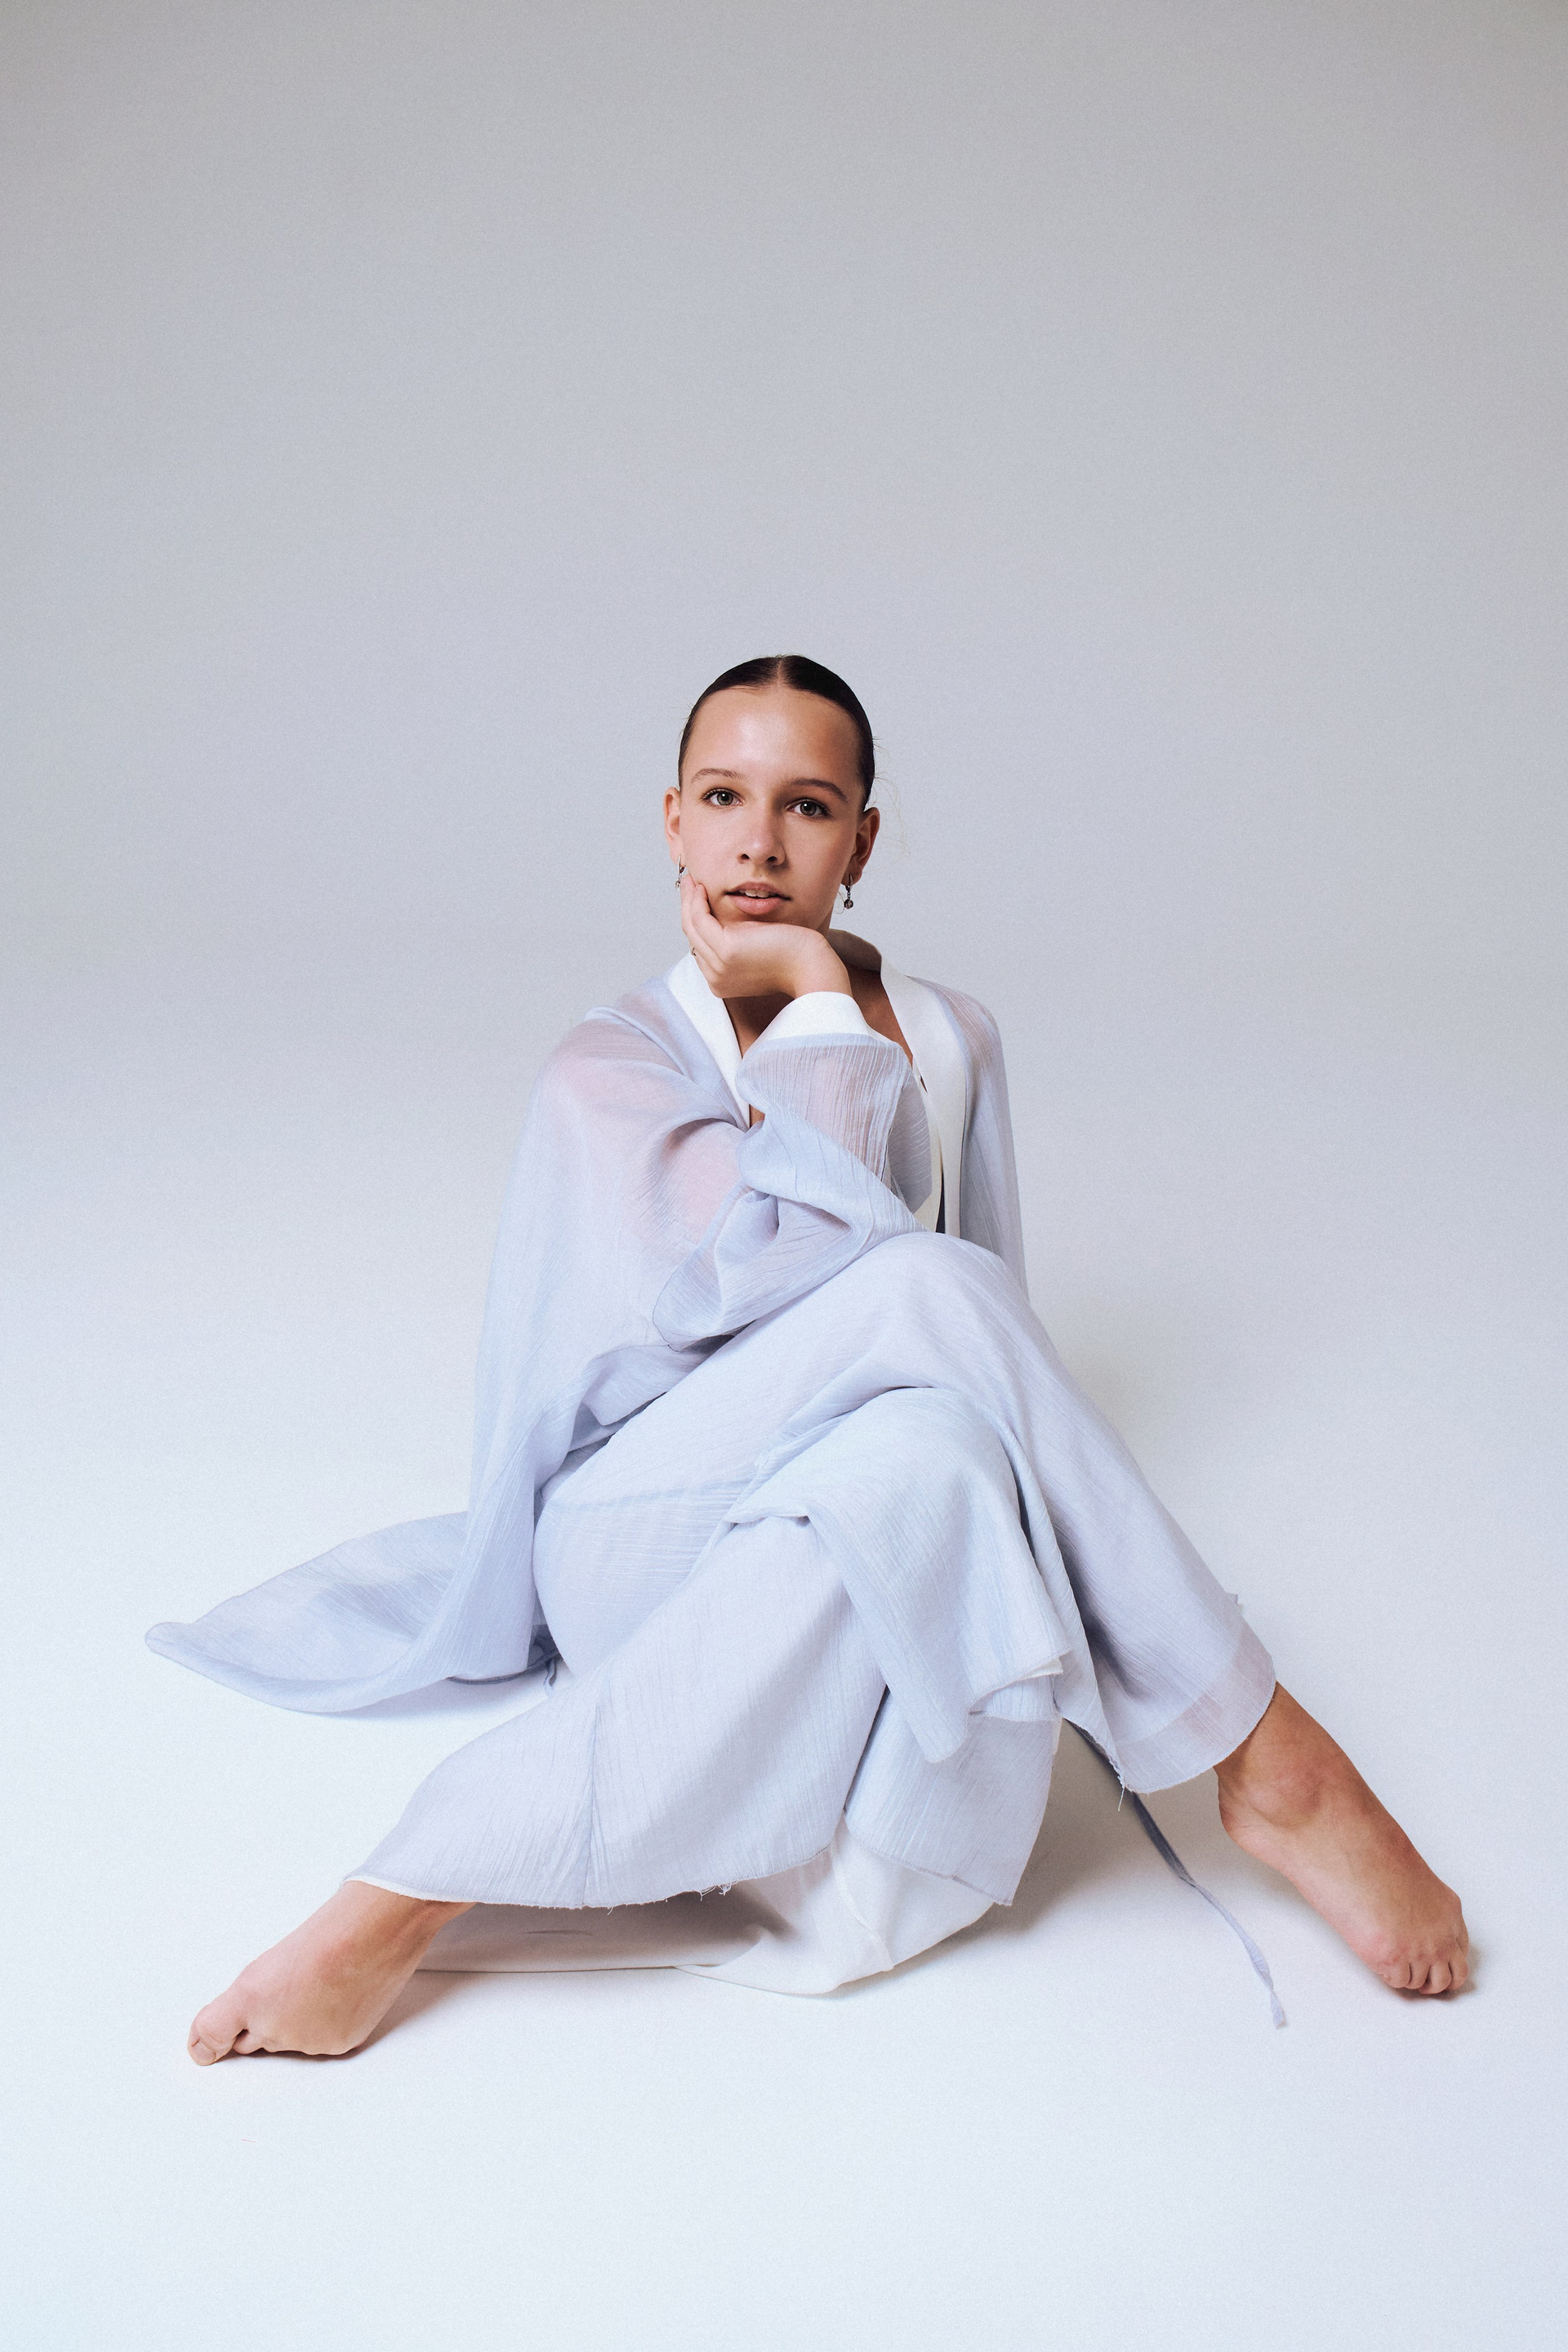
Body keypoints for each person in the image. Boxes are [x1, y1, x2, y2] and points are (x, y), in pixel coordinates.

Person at [151, 655, 1470, 2064]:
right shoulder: (610, 1067)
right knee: (921, 1285)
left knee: (946, 1442)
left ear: (864, 838)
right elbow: (812, 1280)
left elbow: (991, 1345)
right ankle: (1266, 1751)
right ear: (672, 821)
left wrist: (1016, 1530)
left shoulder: (955, 1037)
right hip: (632, 1535)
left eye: (808, 806)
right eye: (723, 799)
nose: (759, 846)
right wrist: (818, 1003)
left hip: (841, 1503)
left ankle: (428, 1898)